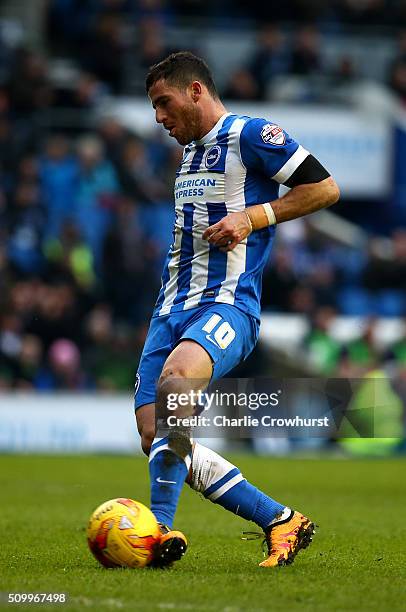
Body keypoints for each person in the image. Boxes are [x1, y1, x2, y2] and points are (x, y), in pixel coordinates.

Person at [135, 51, 340, 568]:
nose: (159, 117)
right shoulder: (189, 156)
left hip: (228, 305)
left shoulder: (250, 135)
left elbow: (325, 188)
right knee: (155, 433)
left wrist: (255, 216)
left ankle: (156, 530)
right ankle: (280, 519)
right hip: (170, 311)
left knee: (177, 382)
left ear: (196, 91)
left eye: (164, 103)